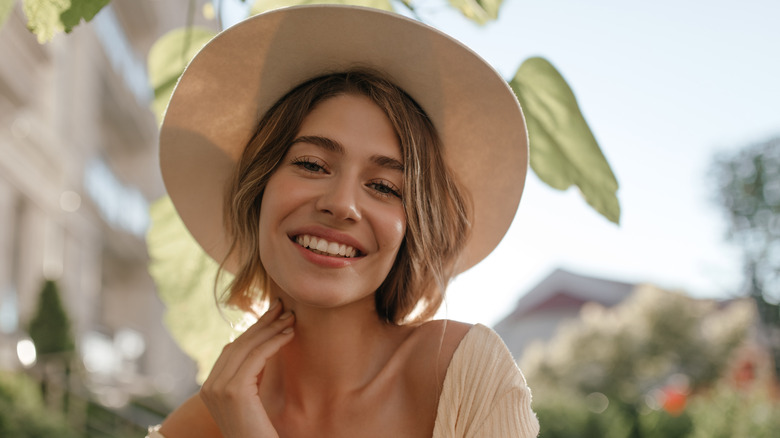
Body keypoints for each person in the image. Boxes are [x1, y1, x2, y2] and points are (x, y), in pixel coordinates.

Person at [149, 5, 539, 438]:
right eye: (313, 164)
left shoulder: (464, 375)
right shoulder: (193, 427)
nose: (342, 205)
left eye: (386, 187)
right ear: (258, 189)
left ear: (411, 229)